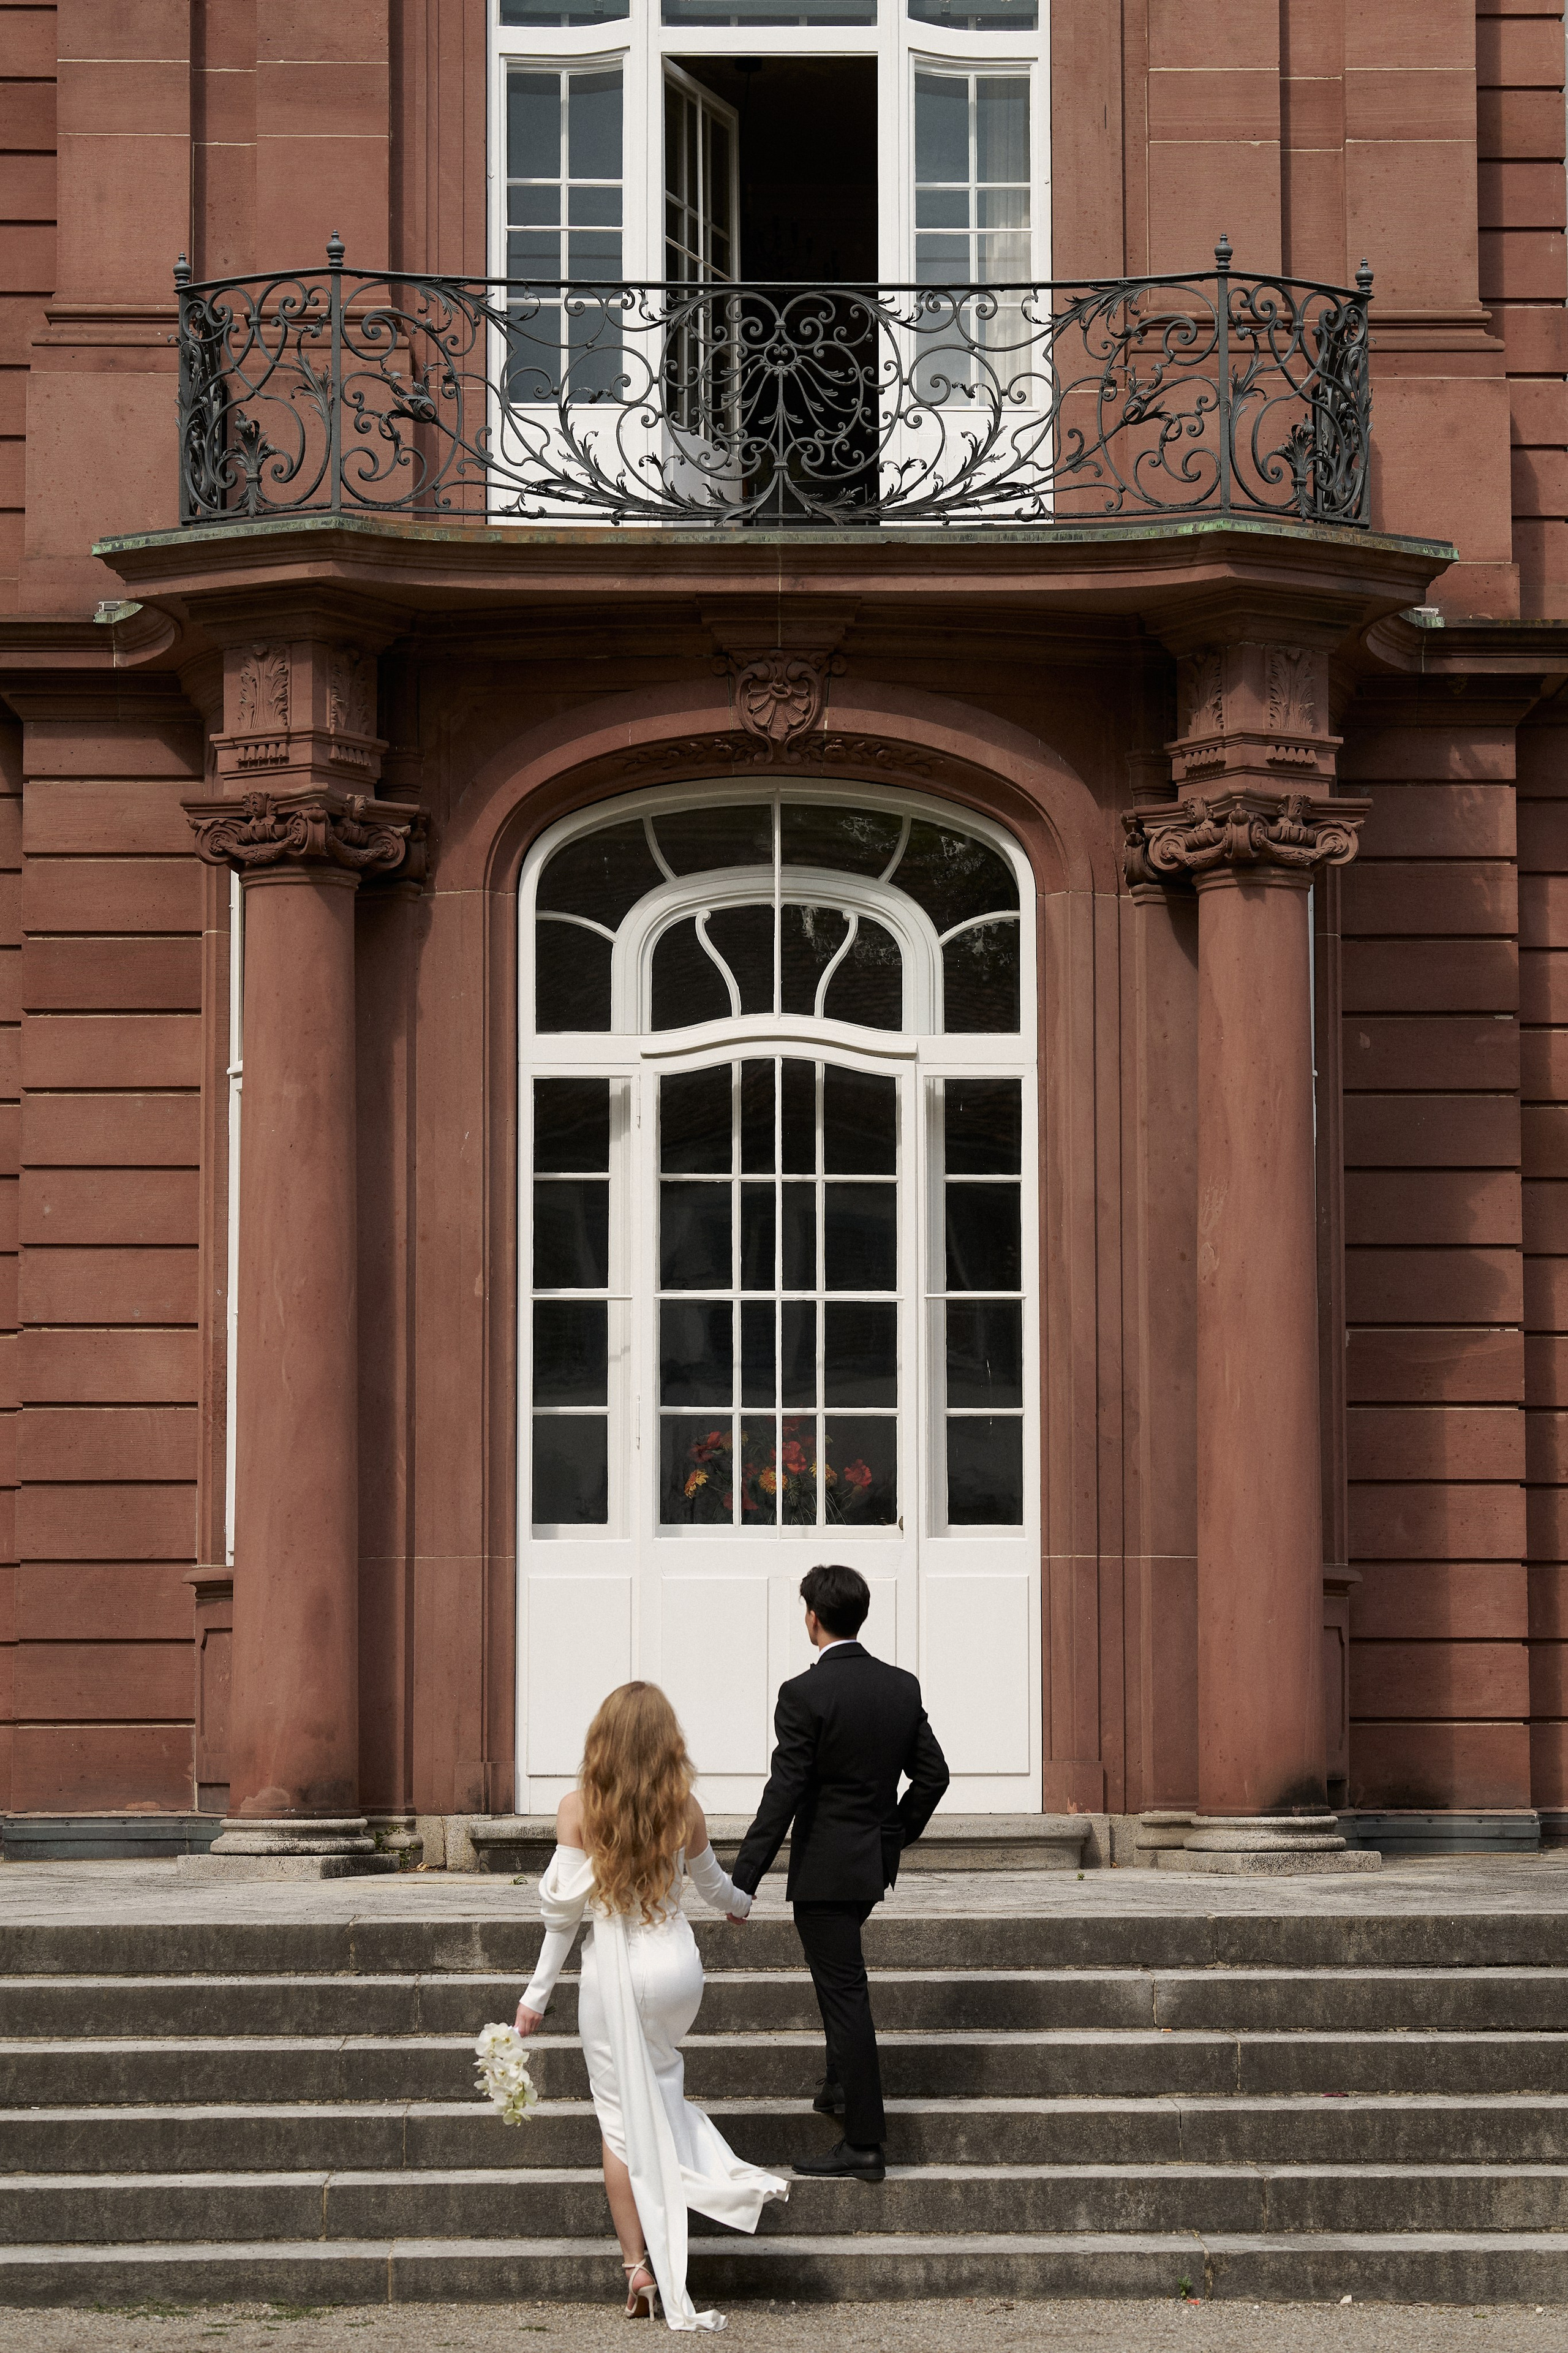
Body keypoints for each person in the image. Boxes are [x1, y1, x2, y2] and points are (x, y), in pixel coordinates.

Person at [514, 1681, 787, 2329]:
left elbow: (562, 1918)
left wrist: (534, 1997)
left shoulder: (578, 1807)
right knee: (656, 2095)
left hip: (615, 1972)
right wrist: (740, 1906)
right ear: (667, 1740)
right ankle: (703, 2186)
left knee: (619, 2121)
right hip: (675, 1971)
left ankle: (638, 2265)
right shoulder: (682, 1805)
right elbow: (715, 1885)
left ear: (600, 1738)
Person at [726, 1563, 950, 2184]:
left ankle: (864, 2141)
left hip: (825, 1872)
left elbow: (786, 1790)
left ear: (813, 1618)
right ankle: (835, 2086)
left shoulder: (804, 1694)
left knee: (844, 1993)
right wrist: (893, 1834)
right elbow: (933, 1776)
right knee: (840, 1981)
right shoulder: (899, 1687)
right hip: (869, 1867)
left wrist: (743, 1879)